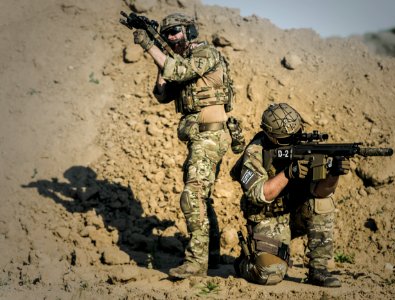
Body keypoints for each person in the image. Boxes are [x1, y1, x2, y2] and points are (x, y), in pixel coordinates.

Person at [132, 13, 234, 278]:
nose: (171, 37)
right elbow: (162, 95)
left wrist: (149, 46)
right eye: (166, 34)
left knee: (193, 196)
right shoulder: (181, 60)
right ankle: (210, 256)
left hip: (210, 136)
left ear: (189, 30)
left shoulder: (205, 54)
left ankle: (196, 263)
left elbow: (178, 70)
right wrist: (160, 59)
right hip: (200, 138)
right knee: (202, 196)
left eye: (175, 31)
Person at [233, 102, 350, 287]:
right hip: (269, 218)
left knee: (323, 202)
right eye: (288, 139)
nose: (295, 141)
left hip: (296, 215)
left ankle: (318, 269)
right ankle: (244, 263)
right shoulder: (255, 151)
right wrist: (289, 173)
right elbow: (259, 194)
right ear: (270, 136)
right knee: (269, 274)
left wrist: (333, 174)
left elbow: (321, 192)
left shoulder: (307, 148)